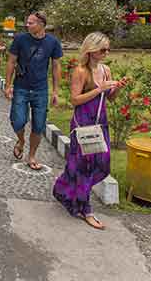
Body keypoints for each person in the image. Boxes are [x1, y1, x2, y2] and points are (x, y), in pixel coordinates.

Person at [53, 32, 128, 230]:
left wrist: (117, 87)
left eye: (108, 49)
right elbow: (74, 100)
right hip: (82, 122)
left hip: (100, 121)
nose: (106, 52)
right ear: (91, 49)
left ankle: (63, 187)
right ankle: (86, 209)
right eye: (103, 49)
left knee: (102, 164)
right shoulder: (81, 71)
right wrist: (99, 88)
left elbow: (110, 98)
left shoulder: (106, 70)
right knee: (84, 165)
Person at [5, 12, 63, 171]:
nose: (27, 25)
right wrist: (8, 85)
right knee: (17, 121)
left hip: (41, 90)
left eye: (31, 23)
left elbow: (56, 66)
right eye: (27, 22)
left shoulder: (53, 42)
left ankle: (31, 156)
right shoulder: (20, 39)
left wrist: (56, 91)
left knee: (38, 126)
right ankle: (21, 141)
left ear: (41, 24)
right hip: (21, 87)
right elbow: (11, 61)